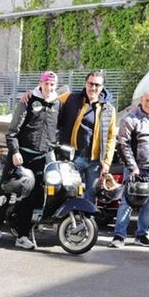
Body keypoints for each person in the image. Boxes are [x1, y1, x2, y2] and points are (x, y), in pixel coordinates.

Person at [2, 71, 60, 249]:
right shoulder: (27, 100)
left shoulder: (57, 103)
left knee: (33, 198)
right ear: (40, 84)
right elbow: (12, 130)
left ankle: (22, 235)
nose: (48, 88)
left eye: (52, 84)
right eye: (46, 84)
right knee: (6, 191)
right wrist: (15, 150)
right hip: (21, 155)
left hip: (41, 158)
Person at [110, 90, 149, 248]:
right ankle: (119, 236)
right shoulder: (130, 119)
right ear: (141, 100)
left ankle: (141, 235)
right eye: (147, 100)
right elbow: (122, 145)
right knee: (126, 204)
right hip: (136, 170)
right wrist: (132, 166)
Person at [57, 71, 117, 203]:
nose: (93, 88)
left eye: (97, 85)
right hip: (73, 158)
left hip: (95, 162)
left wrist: (107, 161)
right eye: (90, 84)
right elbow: (48, 99)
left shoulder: (109, 109)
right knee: (70, 194)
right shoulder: (70, 98)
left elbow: (112, 137)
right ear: (86, 84)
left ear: (102, 87)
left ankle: (87, 223)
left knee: (91, 198)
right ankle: (69, 223)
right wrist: (32, 93)